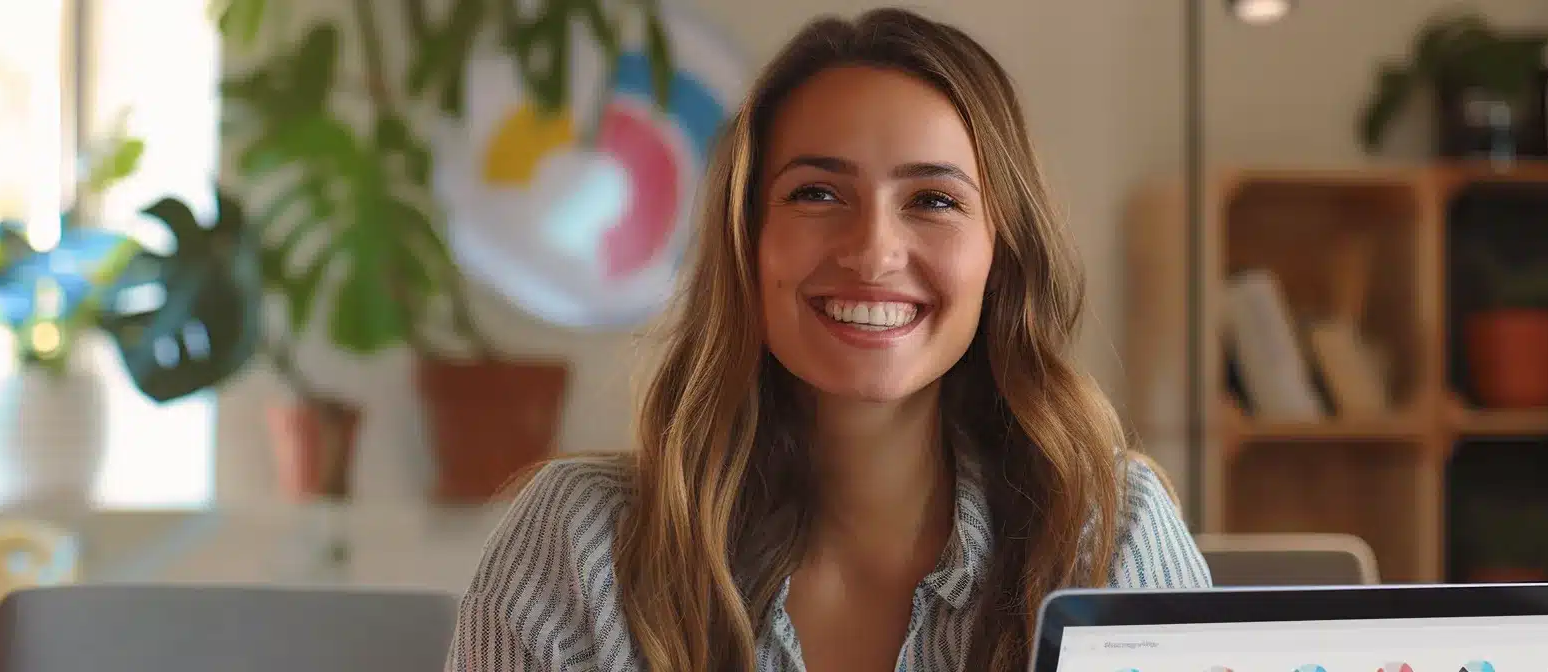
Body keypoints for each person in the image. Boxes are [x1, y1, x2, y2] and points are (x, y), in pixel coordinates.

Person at [447, 7, 1211, 672]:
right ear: (747, 240)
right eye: (816, 193)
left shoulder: (1104, 528)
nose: (874, 251)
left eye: (934, 200)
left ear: (1000, 255)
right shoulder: (580, 544)